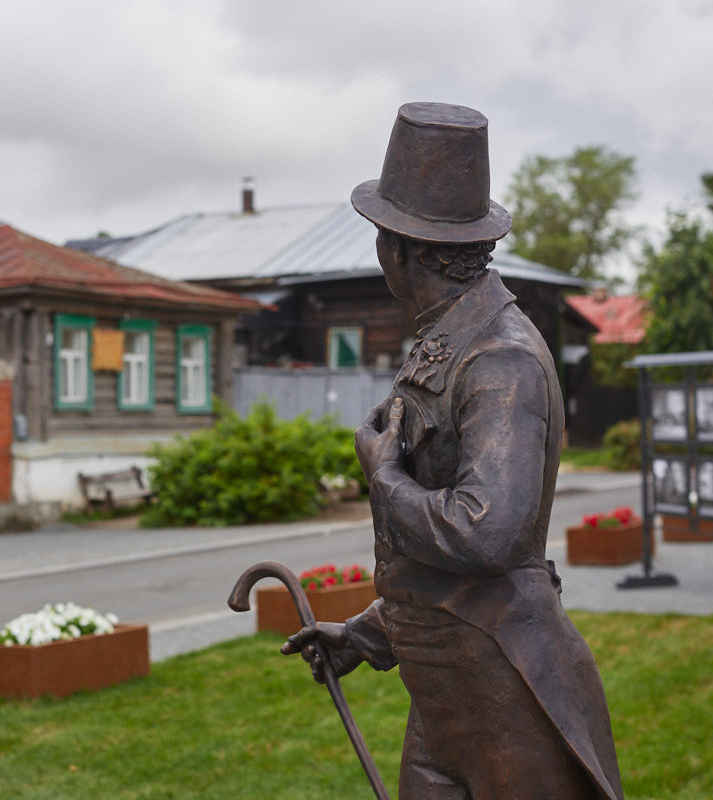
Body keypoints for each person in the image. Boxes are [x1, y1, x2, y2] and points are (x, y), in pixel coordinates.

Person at [282, 103, 624, 800]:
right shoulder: (450, 339)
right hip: (446, 700)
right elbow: (448, 570)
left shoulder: (501, 358)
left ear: (398, 250)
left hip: (506, 694)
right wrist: (367, 634)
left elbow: (488, 534)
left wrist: (385, 480)